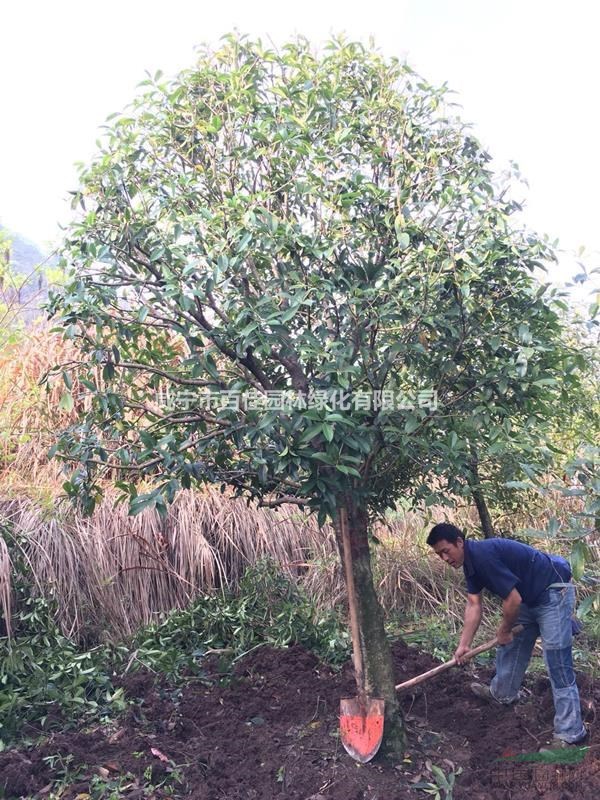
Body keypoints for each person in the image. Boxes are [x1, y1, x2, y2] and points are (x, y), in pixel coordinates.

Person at [426, 523, 587, 749]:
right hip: (528, 598)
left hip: (553, 594)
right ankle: (502, 694)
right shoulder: (470, 564)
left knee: (558, 663)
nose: (444, 558)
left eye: (446, 551)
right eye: (438, 554)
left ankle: (571, 733)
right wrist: (464, 645)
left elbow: (512, 601)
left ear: (459, 542)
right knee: (511, 647)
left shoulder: (483, 557)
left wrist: (503, 630)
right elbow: (474, 604)